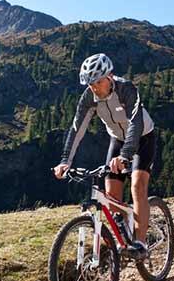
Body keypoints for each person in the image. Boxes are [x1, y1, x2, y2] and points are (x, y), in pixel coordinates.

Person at [53, 53, 157, 259]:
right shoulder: (88, 98)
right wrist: (65, 161)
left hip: (143, 138)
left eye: (98, 82)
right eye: (90, 83)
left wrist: (125, 156)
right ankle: (124, 236)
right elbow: (77, 129)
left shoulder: (126, 89)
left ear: (109, 76)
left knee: (137, 185)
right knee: (110, 197)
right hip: (117, 140)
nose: (94, 87)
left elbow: (135, 125)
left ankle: (140, 243)